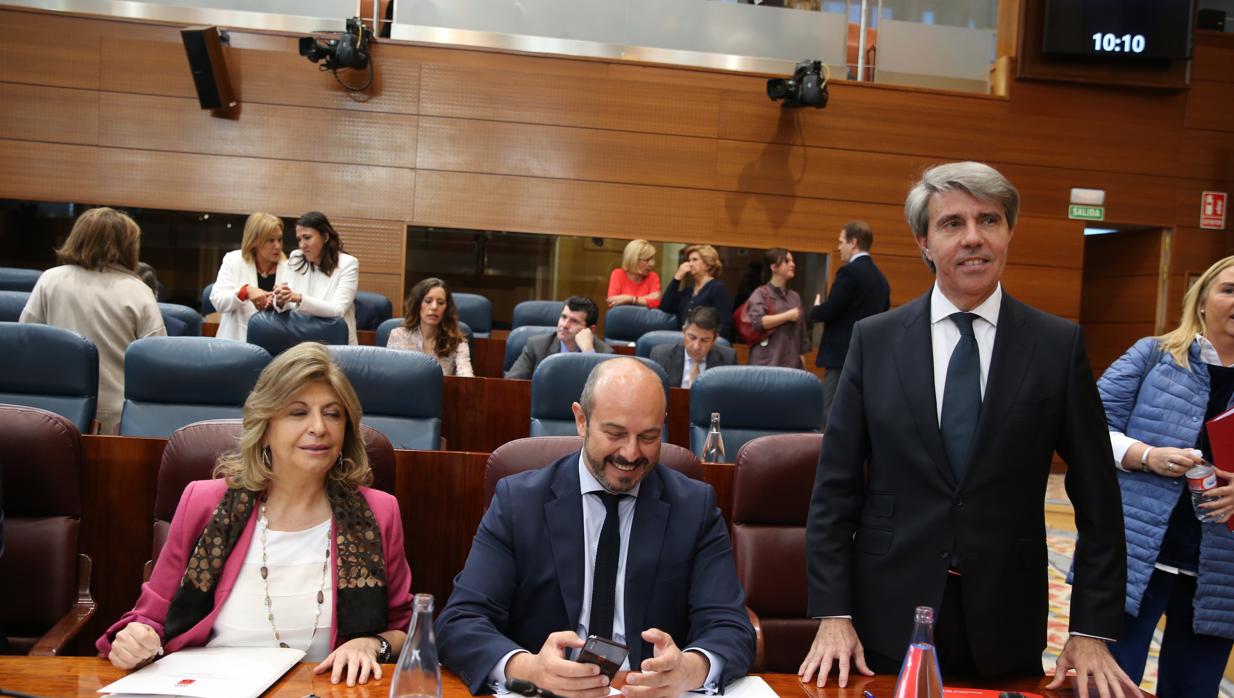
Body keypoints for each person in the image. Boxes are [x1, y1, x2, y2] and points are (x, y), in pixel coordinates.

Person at [799, 162, 1136, 697]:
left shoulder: (1056, 346)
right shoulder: (875, 341)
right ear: (924, 242)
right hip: (885, 616)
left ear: (1008, 233)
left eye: (990, 220)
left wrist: (1090, 628)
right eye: (953, 223)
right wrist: (832, 613)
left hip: (1006, 622)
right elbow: (834, 492)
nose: (973, 238)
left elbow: (1099, 496)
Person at [96, 343, 413, 687]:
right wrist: (136, 639)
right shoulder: (204, 503)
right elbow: (150, 618)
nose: (319, 427)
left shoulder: (377, 513)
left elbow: (404, 628)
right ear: (265, 426)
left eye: (333, 413)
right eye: (297, 412)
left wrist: (371, 643)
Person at [436, 358, 756, 696]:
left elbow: (731, 627)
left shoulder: (694, 507)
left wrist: (690, 669)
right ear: (581, 420)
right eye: (615, 434)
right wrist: (530, 668)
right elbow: (461, 621)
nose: (631, 453)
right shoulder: (519, 502)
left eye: (648, 437)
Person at [1096, 255, 1234, 697]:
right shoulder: (1152, 354)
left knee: (1194, 689)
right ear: (1203, 299)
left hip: (1220, 570)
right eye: (1229, 289)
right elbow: (1088, 425)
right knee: (1108, 684)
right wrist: (1145, 455)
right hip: (1138, 555)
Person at [20, 207, 166, 434]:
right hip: (118, 420)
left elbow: (26, 343)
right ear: (129, 246)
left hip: (52, 411)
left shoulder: (50, 280)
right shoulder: (139, 291)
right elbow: (156, 362)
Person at [809, 221, 890, 428]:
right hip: (868, 358)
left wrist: (815, 309)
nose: (838, 247)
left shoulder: (849, 272)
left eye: (841, 242)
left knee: (829, 412)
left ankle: (825, 459)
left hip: (840, 357)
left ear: (853, 243)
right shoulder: (881, 281)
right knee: (855, 415)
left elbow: (831, 309)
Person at [274, 211, 359, 345]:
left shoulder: (348, 264)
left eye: (307, 238)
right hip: (300, 340)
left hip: (335, 343)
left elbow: (338, 310)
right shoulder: (296, 258)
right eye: (299, 239)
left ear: (325, 237)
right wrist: (280, 299)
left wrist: (299, 298)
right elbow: (285, 304)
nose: (302, 245)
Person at [210, 212, 288, 342]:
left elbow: (296, 310)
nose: (277, 246)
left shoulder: (289, 267)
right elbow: (218, 301)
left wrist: (280, 302)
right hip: (236, 342)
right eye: (270, 240)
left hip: (276, 343)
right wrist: (245, 291)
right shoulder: (234, 260)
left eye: (279, 239)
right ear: (255, 241)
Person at [505, 296, 612, 380]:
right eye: (563, 317)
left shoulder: (605, 354)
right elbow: (511, 383)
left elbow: (605, 394)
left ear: (591, 330)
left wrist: (589, 353)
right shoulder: (537, 346)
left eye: (574, 321)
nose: (564, 325)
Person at [387, 277, 474, 377]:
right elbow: (390, 376)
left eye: (440, 303)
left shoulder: (457, 342)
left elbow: (467, 377)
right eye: (428, 301)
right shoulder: (398, 336)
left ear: (446, 309)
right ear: (417, 304)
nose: (434, 307)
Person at [746, 248, 811, 368]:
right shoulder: (761, 293)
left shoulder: (795, 297)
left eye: (792, 261)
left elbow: (802, 332)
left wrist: (802, 360)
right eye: (787, 261)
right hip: (766, 363)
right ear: (774, 268)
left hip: (791, 363)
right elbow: (758, 322)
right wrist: (787, 316)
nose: (793, 264)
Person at [649, 306, 736, 388]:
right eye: (692, 337)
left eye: (704, 340)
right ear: (684, 331)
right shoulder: (660, 355)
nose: (696, 347)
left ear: (714, 339)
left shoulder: (727, 359)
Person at [660, 244, 733, 340]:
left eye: (694, 260)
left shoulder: (717, 288)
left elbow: (724, 323)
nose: (690, 264)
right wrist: (677, 277)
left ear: (707, 265)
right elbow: (665, 306)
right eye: (689, 260)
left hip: (705, 343)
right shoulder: (688, 291)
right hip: (682, 340)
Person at [607, 239, 661, 309]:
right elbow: (612, 302)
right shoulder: (617, 274)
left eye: (652, 260)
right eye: (647, 260)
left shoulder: (653, 277)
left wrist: (629, 299)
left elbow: (656, 302)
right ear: (634, 259)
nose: (652, 264)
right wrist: (646, 300)